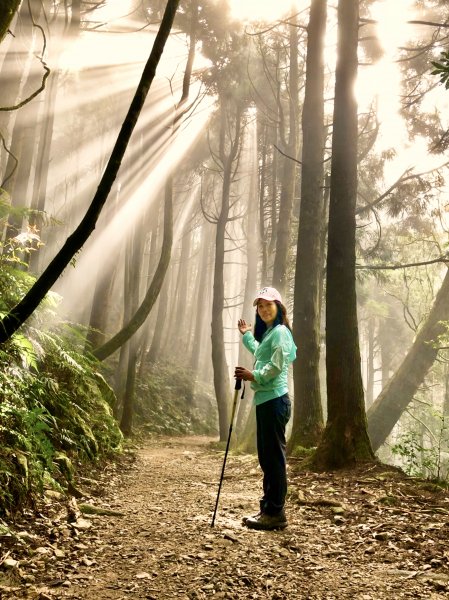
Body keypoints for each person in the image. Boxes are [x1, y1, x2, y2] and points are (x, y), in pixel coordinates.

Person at [235, 286, 297, 531]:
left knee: (274, 459)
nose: (263, 310)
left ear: (279, 307)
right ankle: (268, 508)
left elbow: (275, 366)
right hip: (266, 401)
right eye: (260, 306)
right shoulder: (271, 333)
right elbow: (260, 352)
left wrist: (254, 375)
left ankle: (275, 513)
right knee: (267, 458)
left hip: (275, 400)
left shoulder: (281, 332)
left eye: (268, 305)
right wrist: (246, 335)